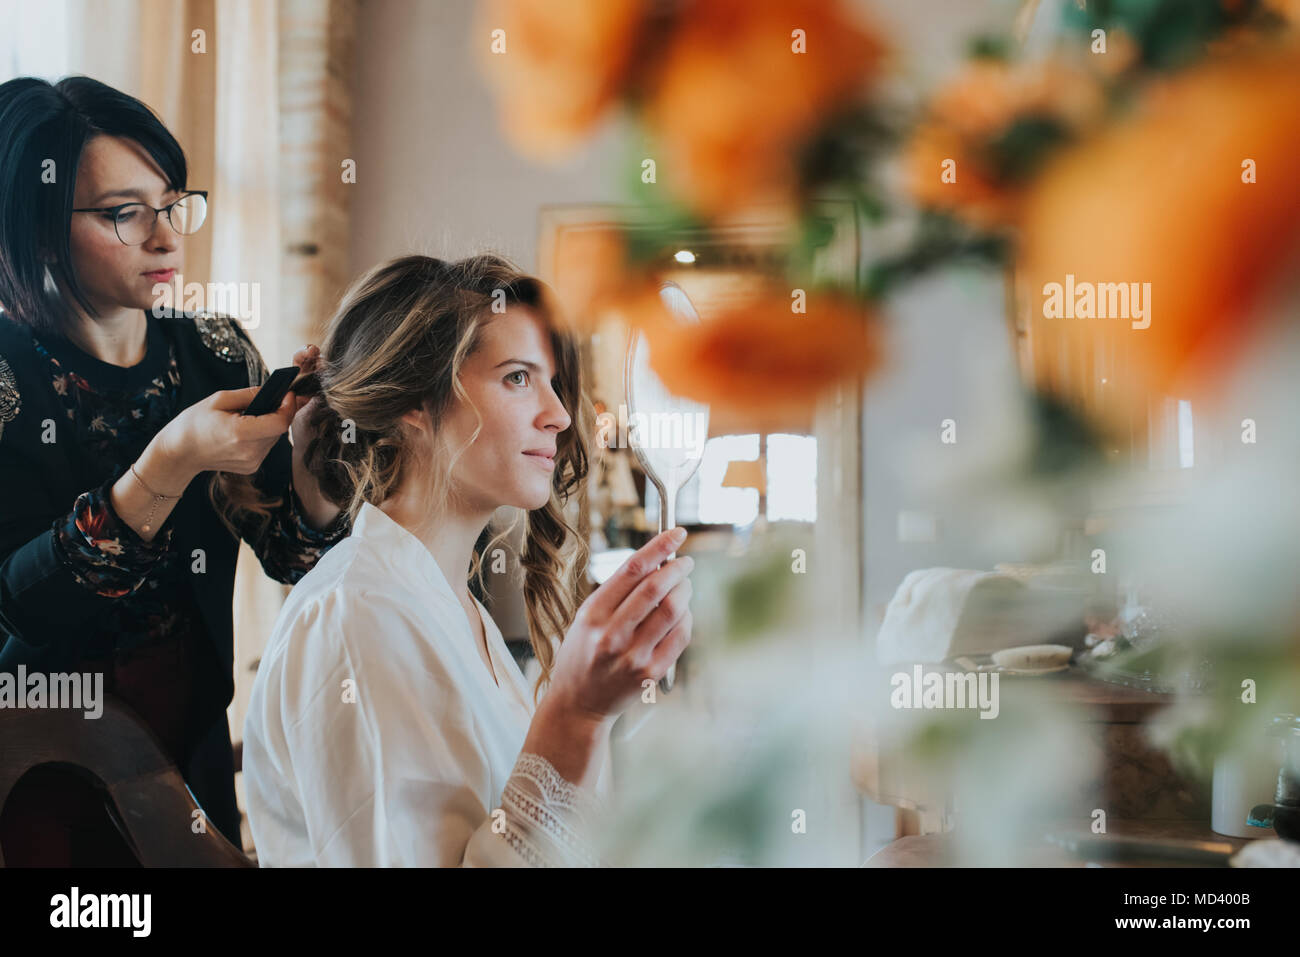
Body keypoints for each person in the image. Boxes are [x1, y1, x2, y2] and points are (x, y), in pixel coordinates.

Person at [242, 254, 695, 866]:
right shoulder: (354, 616)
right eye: (516, 377)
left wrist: (607, 713)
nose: (559, 415)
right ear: (414, 402)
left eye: (553, 382)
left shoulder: (455, 610)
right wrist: (576, 713)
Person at [0, 75, 349, 863]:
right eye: (124, 213)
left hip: (187, 747)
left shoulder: (213, 351)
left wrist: (318, 463)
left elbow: (291, 551)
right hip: (35, 760)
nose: (165, 237)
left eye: (172, 203)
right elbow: (26, 608)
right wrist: (169, 462)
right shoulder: (6, 379)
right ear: (38, 224)